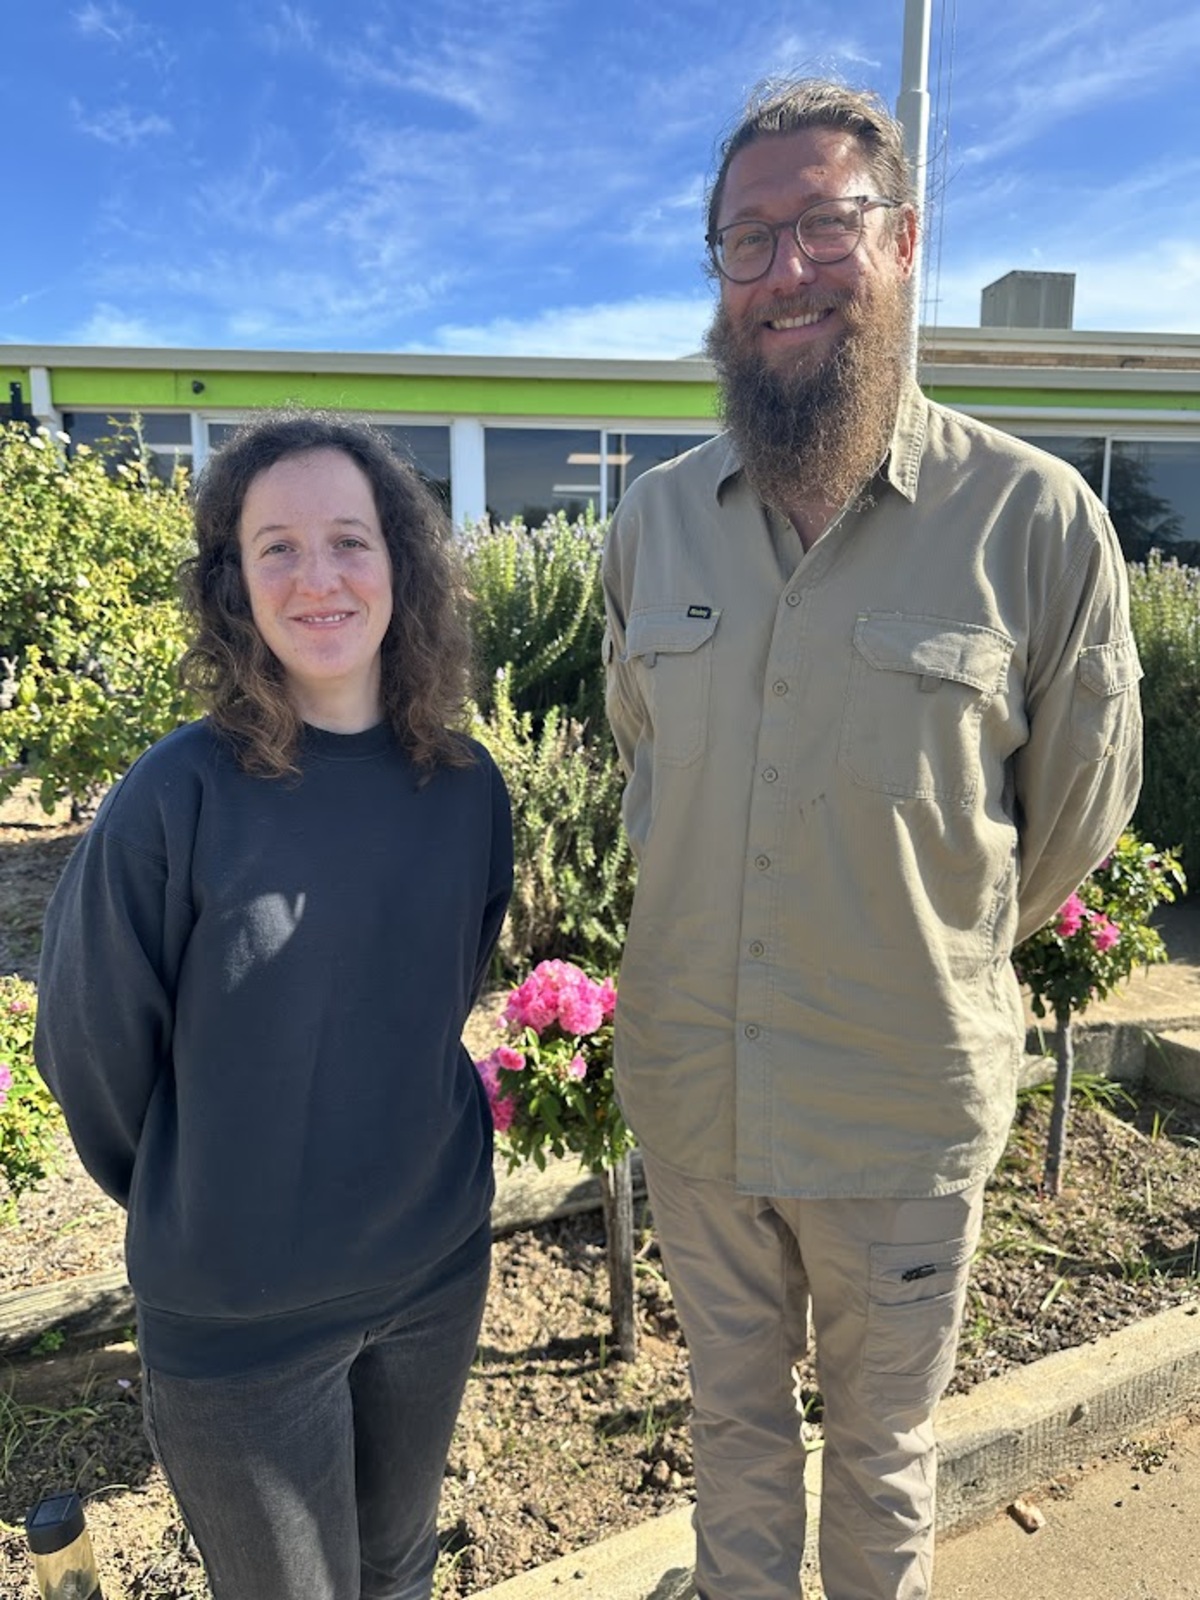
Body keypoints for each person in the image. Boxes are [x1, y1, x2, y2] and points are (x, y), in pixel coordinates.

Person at [601, 78, 1142, 1600]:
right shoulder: (652, 524)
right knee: (729, 1427)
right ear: (716, 272)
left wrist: (922, 937)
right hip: (699, 1092)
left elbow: (1076, 818)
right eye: (747, 239)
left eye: (824, 228)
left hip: (898, 1104)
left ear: (900, 241)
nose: (786, 272)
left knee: (888, 1458)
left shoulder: (1033, 521)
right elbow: (652, 769)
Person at [35, 413, 513, 1600]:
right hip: (239, 1330)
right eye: (277, 548)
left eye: (350, 540)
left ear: (401, 564)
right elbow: (91, 1051)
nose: (319, 578)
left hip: (431, 1271)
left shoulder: (464, 789)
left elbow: (438, 993)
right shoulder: (171, 799)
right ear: (233, 585)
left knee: (399, 1566)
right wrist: (219, 1193)